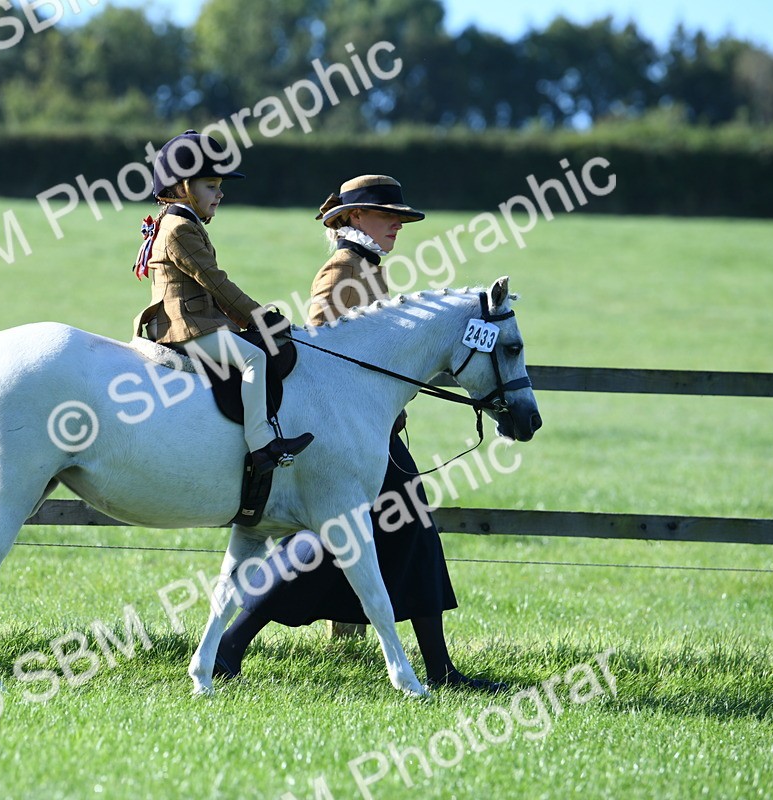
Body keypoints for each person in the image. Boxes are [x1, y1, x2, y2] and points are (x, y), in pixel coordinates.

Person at [213, 175, 506, 691]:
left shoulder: (367, 267)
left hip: (371, 433)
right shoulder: (343, 269)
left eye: (400, 216)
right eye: (384, 214)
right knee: (362, 543)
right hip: (349, 437)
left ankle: (232, 648)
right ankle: (231, 645)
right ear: (351, 218)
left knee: (399, 539)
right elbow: (326, 348)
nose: (397, 223)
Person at [133, 130, 313, 473]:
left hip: (195, 321)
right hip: (184, 327)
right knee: (254, 358)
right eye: (211, 186)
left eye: (219, 186)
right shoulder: (179, 229)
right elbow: (216, 282)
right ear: (184, 187)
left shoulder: (181, 222)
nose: (220, 193)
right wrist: (258, 318)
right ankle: (261, 444)